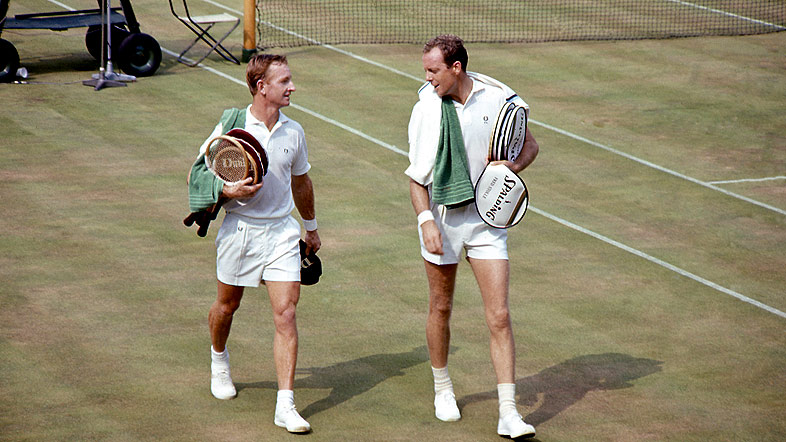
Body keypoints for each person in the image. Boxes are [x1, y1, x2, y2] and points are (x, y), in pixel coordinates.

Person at [405, 35, 539, 439]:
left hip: (487, 224)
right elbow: (415, 178)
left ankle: (509, 411)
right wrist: (426, 221)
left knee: (499, 315)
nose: (427, 78)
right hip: (444, 221)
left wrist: (509, 167)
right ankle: (442, 388)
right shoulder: (426, 109)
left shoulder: (499, 98)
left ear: (456, 68)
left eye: (433, 71)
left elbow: (531, 146)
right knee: (441, 308)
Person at [196, 54, 320, 434]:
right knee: (227, 305)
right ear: (261, 86)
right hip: (240, 231)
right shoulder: (232, 127)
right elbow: (200, 173)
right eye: (284, 81)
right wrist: (228, 189)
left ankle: (286, 404)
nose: (292, 87)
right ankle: (219, 359)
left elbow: (301, 182)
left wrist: (311, 228)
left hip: (282, 233)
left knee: (286, 314)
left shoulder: (294, 131)